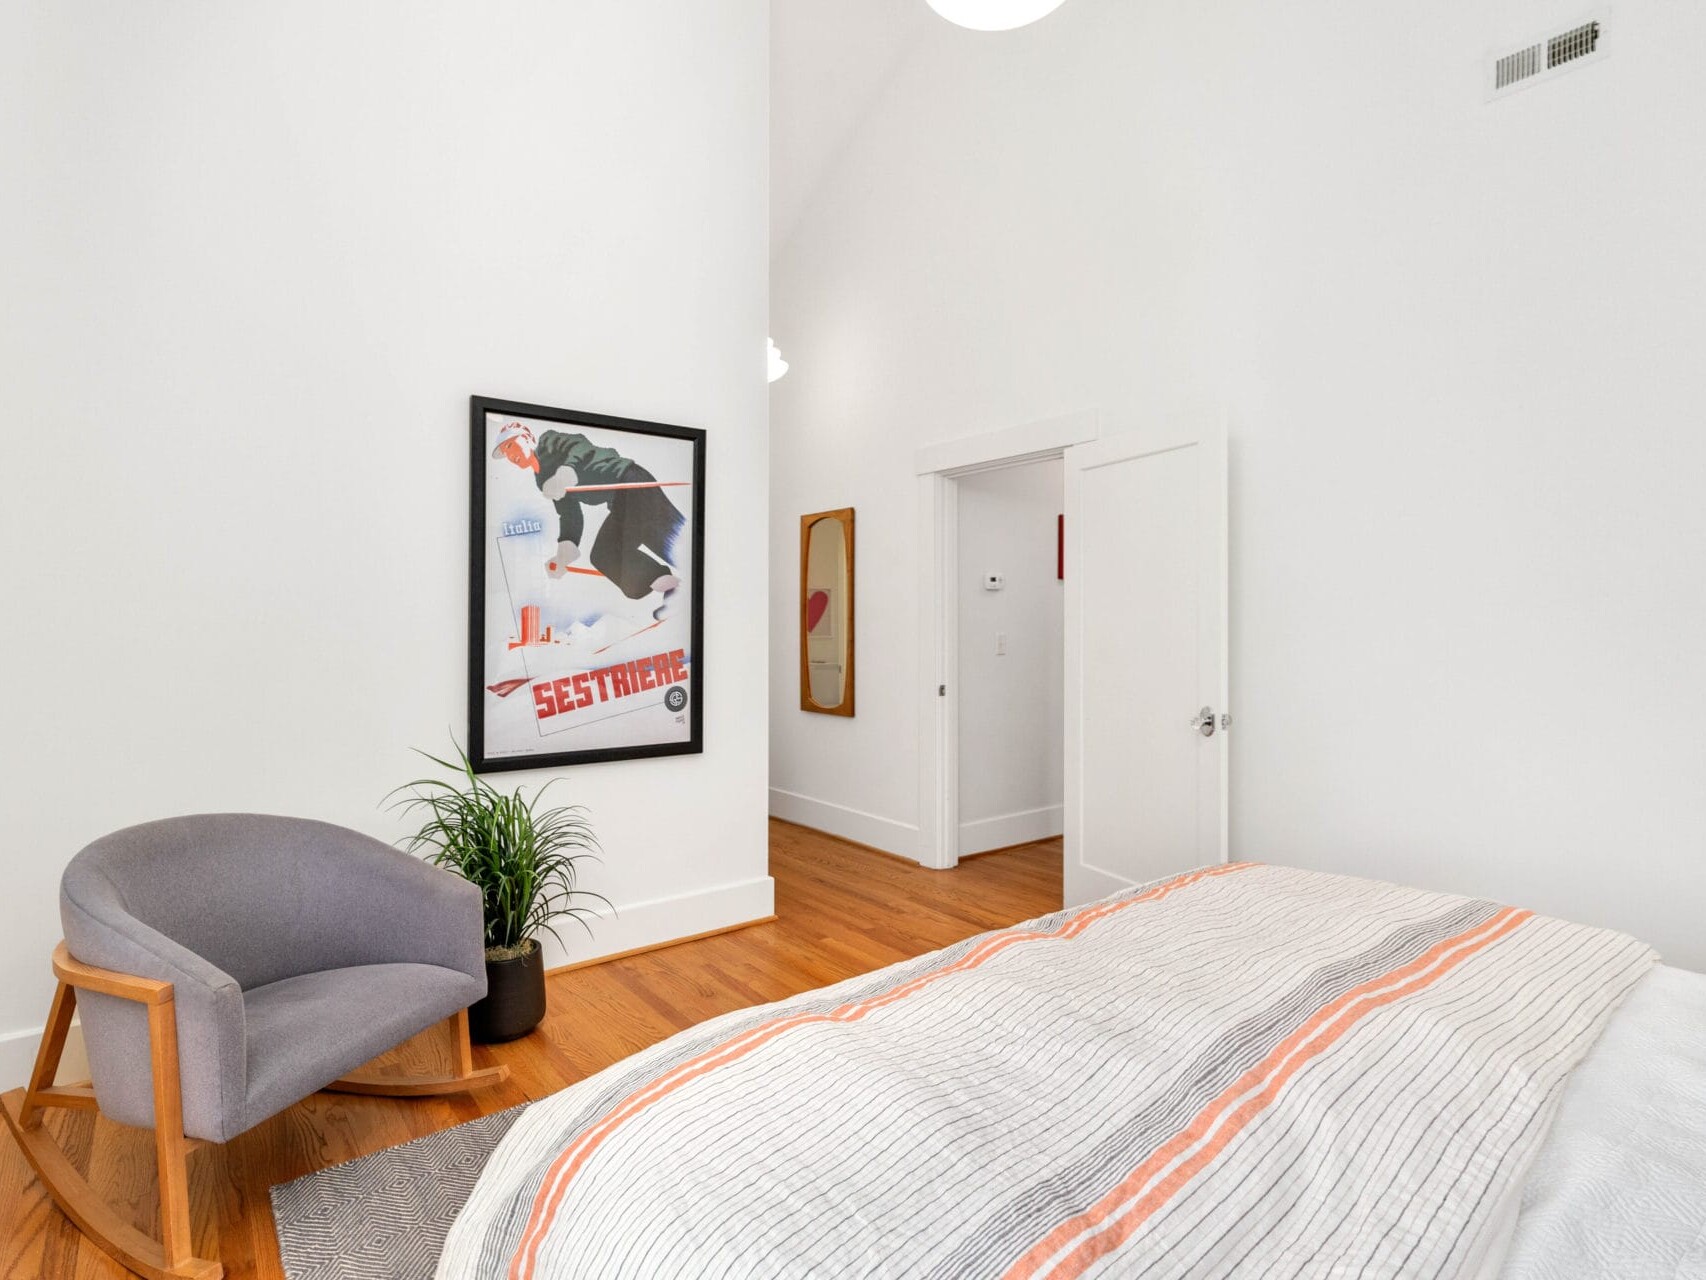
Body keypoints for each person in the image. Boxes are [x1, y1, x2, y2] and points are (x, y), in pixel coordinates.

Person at [493, 421, 684, 613]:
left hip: (630, 481)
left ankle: (679, 591)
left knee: (671, 541)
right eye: (505, 453)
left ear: (527, 438)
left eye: (510, 445)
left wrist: (567, 471)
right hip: (621, 502)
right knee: (605, 555)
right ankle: (673, 589)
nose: (510, 455)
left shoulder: (548, 442)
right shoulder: (542, 479)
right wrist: (563, 554)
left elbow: (580, 445)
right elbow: (569, 512)